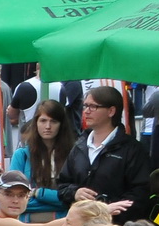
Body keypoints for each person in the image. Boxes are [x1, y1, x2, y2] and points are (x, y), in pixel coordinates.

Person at [57, 84, 150, 213]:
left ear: (111, 111)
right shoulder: (79, 146)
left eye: (93, 106)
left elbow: (140, 194)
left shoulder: (133, 149)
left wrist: (105, 209)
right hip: (81, 221)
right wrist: (75, 193)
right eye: (85, 106)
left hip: (116, 223)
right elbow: (62, 186)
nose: (86, 111)